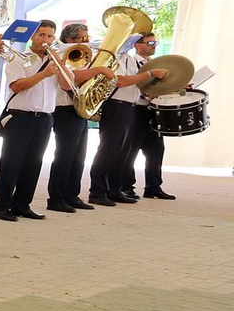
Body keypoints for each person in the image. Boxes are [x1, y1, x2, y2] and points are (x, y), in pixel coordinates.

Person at [0, 21, 62, 222]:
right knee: (11, 164)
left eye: (50, 36)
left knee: (34, 164)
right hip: (20, 117)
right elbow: (17, 86)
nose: (46, 40)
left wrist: (61, 65)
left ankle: (22, 204)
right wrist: (44, 74)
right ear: (33, 36)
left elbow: (67, 85)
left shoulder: (55, 61)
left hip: (45, 118)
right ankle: (2, 205)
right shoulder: (19, 58)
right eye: (41, 35)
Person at [87, 35, 166, 206]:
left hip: (130, 106)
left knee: (121, 152)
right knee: (108, 149)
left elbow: (135, 82)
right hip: (115, 105)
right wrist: (149, 73)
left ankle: (114, 190)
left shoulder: (129, 59)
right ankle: (97, 191)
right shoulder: (112, 59)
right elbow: (120, 82)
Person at [45, 23, 112, 213]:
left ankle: (72, 195)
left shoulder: (84, 53)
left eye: (87, 37)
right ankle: (56, 198)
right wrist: (97, 70)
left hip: (77, 108)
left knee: (79, 156)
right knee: (65, 156)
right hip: (63, 108)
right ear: (70, 39)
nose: (87, 41)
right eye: (83, 38)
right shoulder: (63, 53)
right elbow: (70, 77)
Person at [127, 32, 175, 200]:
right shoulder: (132, 62)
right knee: (131, 149)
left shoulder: (155, 64)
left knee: (156, 149)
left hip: (152, 110)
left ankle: (153, 187)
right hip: (136, 109)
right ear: (137, 45)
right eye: (150, 43)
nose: (153, 45)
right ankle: (127, 187)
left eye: (155, 42)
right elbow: (130, 84)